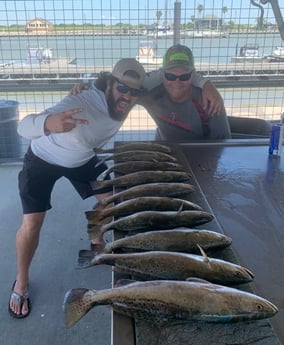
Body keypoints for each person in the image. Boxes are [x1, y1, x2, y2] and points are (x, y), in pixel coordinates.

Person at [8, 58, 146, 319]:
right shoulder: (79, 101)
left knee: (111, 200)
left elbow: (174, 78)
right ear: (109, 84)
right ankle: (21, 282)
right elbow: (23, 126)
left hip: (81, 158)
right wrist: (47, 124)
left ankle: (96, 239)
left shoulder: (128, 99)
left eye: (134, 92)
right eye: (122, 88)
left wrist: (202, 84)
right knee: (33, 223)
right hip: (42, 159)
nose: (127, 96)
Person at [139, 44, 231, 141]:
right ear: (162, 75)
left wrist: (206, 84)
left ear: (193, 75)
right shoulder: (152, 94)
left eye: (184, 77)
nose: (177, 82)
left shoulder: (209, 101)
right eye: (170, 76)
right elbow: (127, 87)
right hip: (163, 150)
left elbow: (223, 143)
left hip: (201, 152)